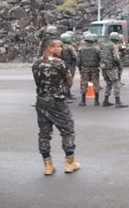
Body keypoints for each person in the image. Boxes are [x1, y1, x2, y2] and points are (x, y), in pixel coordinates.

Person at [32, 38, 80, 175]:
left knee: (44, 133)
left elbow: (38, 82)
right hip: (57, 102)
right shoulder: (59, 63)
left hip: (41, 101)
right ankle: (70, 163)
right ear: (49, 48)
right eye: (58, 47)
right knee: (67, 130)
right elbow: (69, 80)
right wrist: (63, 90)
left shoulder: (36, 63)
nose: (61, 49)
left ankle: (48, 165)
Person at [100, 32, 128, 108]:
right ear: (117, 39)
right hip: (110, 67)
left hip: (104, 67)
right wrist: (119, 65)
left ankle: (105, 101)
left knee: (108, 83)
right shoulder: (113, 46)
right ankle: (118, 102)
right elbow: (116, 57)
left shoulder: (105, 45)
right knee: (116, 83)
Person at [78, 33, 101, 107]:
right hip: (94, 68)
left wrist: (80, 68)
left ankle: (83, 101)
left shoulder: (81, 49)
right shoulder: (96, 49)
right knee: (96, 83)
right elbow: (100, 58)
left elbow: (78, 61)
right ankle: (96, 101)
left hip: (85, 68)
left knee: (84, 84)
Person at [60, 33, 78, 102]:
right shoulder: (70, 47)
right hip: (70, 66)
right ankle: (65, 96)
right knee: (69, 81)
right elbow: (75, 56)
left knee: (63, 80)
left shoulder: (59, 46)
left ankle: (68, 94)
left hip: (61, 65)